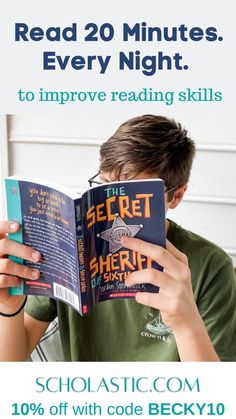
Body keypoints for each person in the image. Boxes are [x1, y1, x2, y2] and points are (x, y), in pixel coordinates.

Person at [0, 114, 235, 361]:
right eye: (104, 186)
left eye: (134, 197)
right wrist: (8, 308)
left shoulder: (210, 266)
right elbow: (11, 365)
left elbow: (217, 395)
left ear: (176, 196)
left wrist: (186, 324)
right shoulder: (67, 249)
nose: (114, 211)